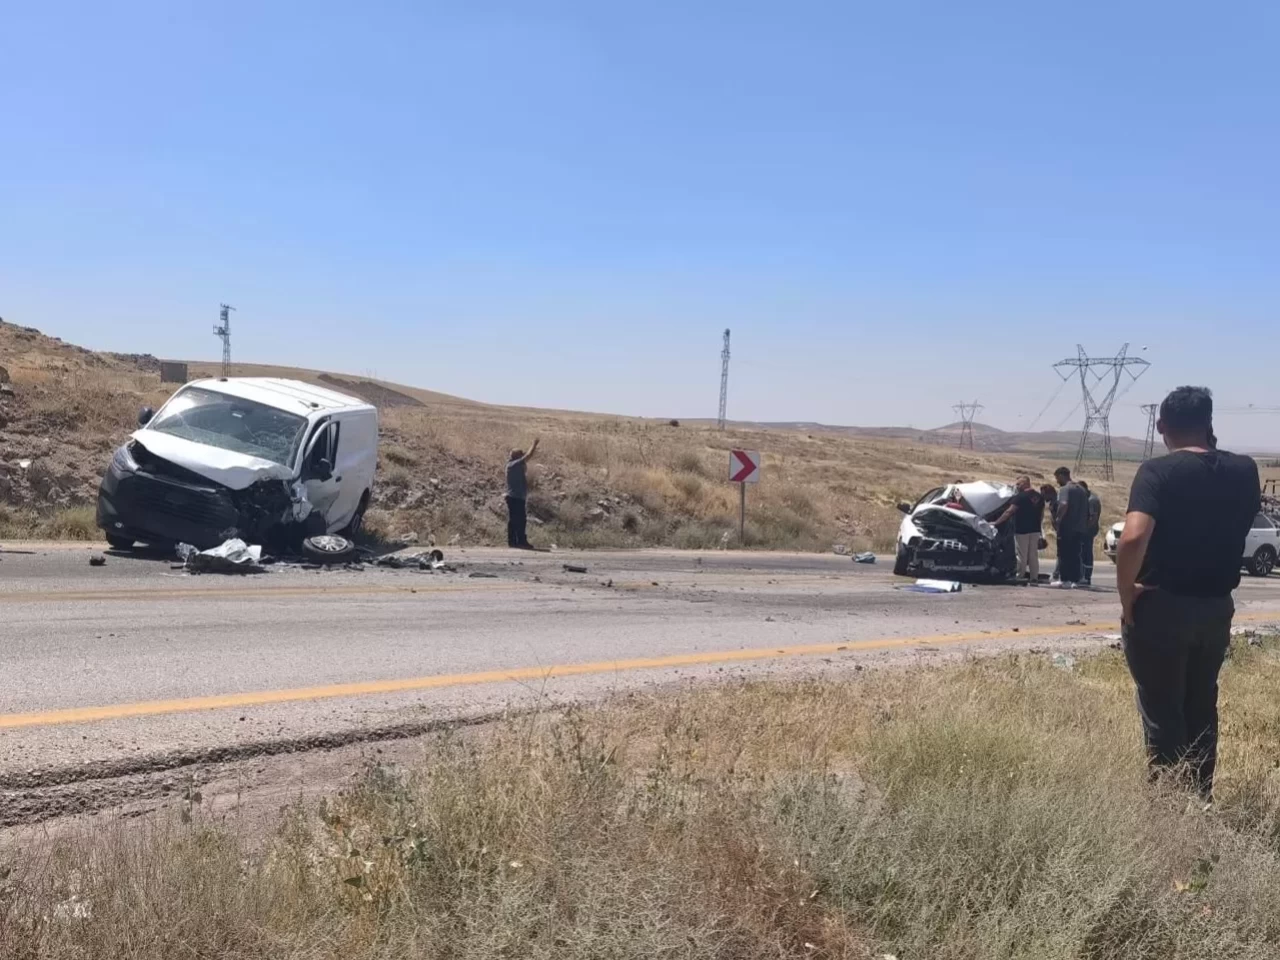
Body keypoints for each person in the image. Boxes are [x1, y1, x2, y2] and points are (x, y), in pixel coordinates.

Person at [1116, 386, 1259, 801]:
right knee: (1201, 707)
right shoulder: (1245, 470)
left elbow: (1132, 538)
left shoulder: (1158, 472)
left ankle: (1169, 811)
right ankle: (1200, 799)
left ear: (1161, 426)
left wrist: (1126, 594)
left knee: (1163, 710)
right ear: (1209, 423)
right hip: (1216, 607)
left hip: (1162, 605)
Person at [992, 477, 1044, 581]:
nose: (1017, 486)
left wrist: (997, 522)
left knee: (1021, 554)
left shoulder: (1020, 497)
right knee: (1033, 554)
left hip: (1022, 529)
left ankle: (1020, 576)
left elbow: (1009, 511)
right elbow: (1041, 514)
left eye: (1018, 484)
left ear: (1025, 483)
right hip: (1035, 529)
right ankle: (1034, 577)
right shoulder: (1039, 496)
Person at [1053, 466, 1089, 587]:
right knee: (1075, 554)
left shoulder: (1065, 489)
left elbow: (1064, 504)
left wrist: (1058, 519)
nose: (1057, 481)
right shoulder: (1082, 490)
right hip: (1079, 527)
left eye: (1057, 478)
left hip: (1067, 527)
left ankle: (1064, 579)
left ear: (1061, 475)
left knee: (1063, 554)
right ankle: (1075, 580)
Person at [505, 438, 540, 549]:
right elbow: (528, 456)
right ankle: (519, 541)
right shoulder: (513, 464)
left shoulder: (513, 465)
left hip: (517, 497)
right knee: (519, 520)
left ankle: (514, 542)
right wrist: (534, 444)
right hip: (515, 497)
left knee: (516, 520)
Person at [1078, 480, 1102, 586]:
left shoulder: (1092, 500)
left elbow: (1093, 518)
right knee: (1083, 552)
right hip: (1085, 529)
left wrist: (1085, 529)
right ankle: (1082, 575)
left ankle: (1087, 576)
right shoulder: (1085, 498)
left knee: (1087, 552)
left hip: (1089, 530)